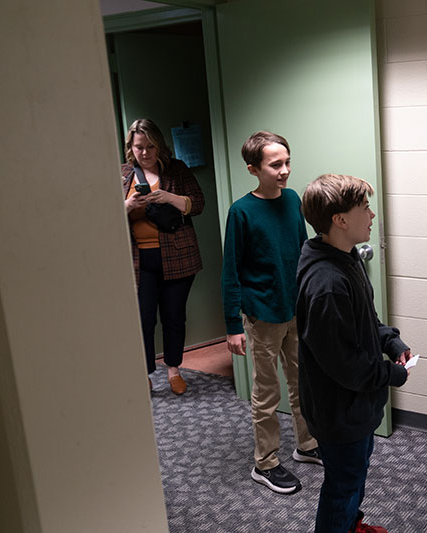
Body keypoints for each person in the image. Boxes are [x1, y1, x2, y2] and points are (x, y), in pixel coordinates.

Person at [297, 174, 413, 533]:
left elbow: (366, 319)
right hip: (338, 408)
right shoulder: (326, 285)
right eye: (364, 208)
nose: (372, 215)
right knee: (343, 484)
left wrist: (389, 342)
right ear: (340, 220)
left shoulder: (347, 258)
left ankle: (348, 524)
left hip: (355, 404)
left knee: (355, 473)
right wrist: (389, 375)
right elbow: (344, 363)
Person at [221, 131, 320, 495]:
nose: (284, 171)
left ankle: (306, 444)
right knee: (266, 394)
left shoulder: (293, 200)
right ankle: (266, 462)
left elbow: (302, 250)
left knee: (301, 384)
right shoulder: (241, 212)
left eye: (287, 162)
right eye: (275, 165)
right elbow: (230, 272)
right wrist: (233, 325)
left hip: (295, 310)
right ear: (253, 169)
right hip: (262, 316)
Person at [122, 118, 204, 395]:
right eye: (139, 147)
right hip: (138, 261)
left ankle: (173, 370)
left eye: (150, 147)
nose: (144, 153)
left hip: (178, 257)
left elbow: (197, 204)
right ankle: (143, 372)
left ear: (159, 146)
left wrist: (168, 197)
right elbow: (104, 216)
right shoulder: (122, 174)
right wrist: (128, 204)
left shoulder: (176, 170)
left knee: (174, 317)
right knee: (143, 319)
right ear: (130, 148)